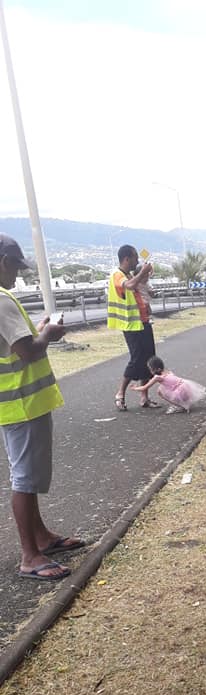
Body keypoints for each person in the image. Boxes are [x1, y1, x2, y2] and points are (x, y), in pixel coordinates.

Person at [0, 234, 85, 581]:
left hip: (17, 405)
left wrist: (38, 333)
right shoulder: (1, 301)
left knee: (28, 476)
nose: (18, 275)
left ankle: (41, 538)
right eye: (16, 267)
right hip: (22, 403)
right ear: (3, 261)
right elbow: (29, 351)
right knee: (24, 479)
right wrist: (48, 334)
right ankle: (30, 556)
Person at [108, 245, 156, 411]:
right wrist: (142, 273)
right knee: (136, 359)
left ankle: (144, 397)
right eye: (135, 257)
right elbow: (128, 286)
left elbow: (140, 287)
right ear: (127, 258)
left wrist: (146, 276)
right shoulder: (117, 275)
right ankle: (120, 393)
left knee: (149, 358)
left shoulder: (129, 274)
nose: (137, 260)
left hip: (143, 321)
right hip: (130, 324)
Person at [129, 355, 206, 413]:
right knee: (162, 387)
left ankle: (180, 406)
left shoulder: (157, 377)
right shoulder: (167, 371)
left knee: (159, 391)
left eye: (151, 369)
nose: (150, 371)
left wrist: (134, 388)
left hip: (179, 393)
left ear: (157, 369)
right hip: (187, 388)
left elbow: (145, 388)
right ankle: (184, 404)